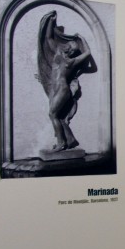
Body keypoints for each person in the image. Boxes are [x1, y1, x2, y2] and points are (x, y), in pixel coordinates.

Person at [36, 10, 98, 152]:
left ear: (70, 50)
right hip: (55, 88)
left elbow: (88, 54)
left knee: (52, 114)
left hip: (63, 90)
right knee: (60, 116)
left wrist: (81, 38)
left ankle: (61, 143)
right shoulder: (58, 56)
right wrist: (52, 20)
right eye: (67, 45)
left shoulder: (72, 62)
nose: (65, 46)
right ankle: (70, 140)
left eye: (69, 46)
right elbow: (49, 38)